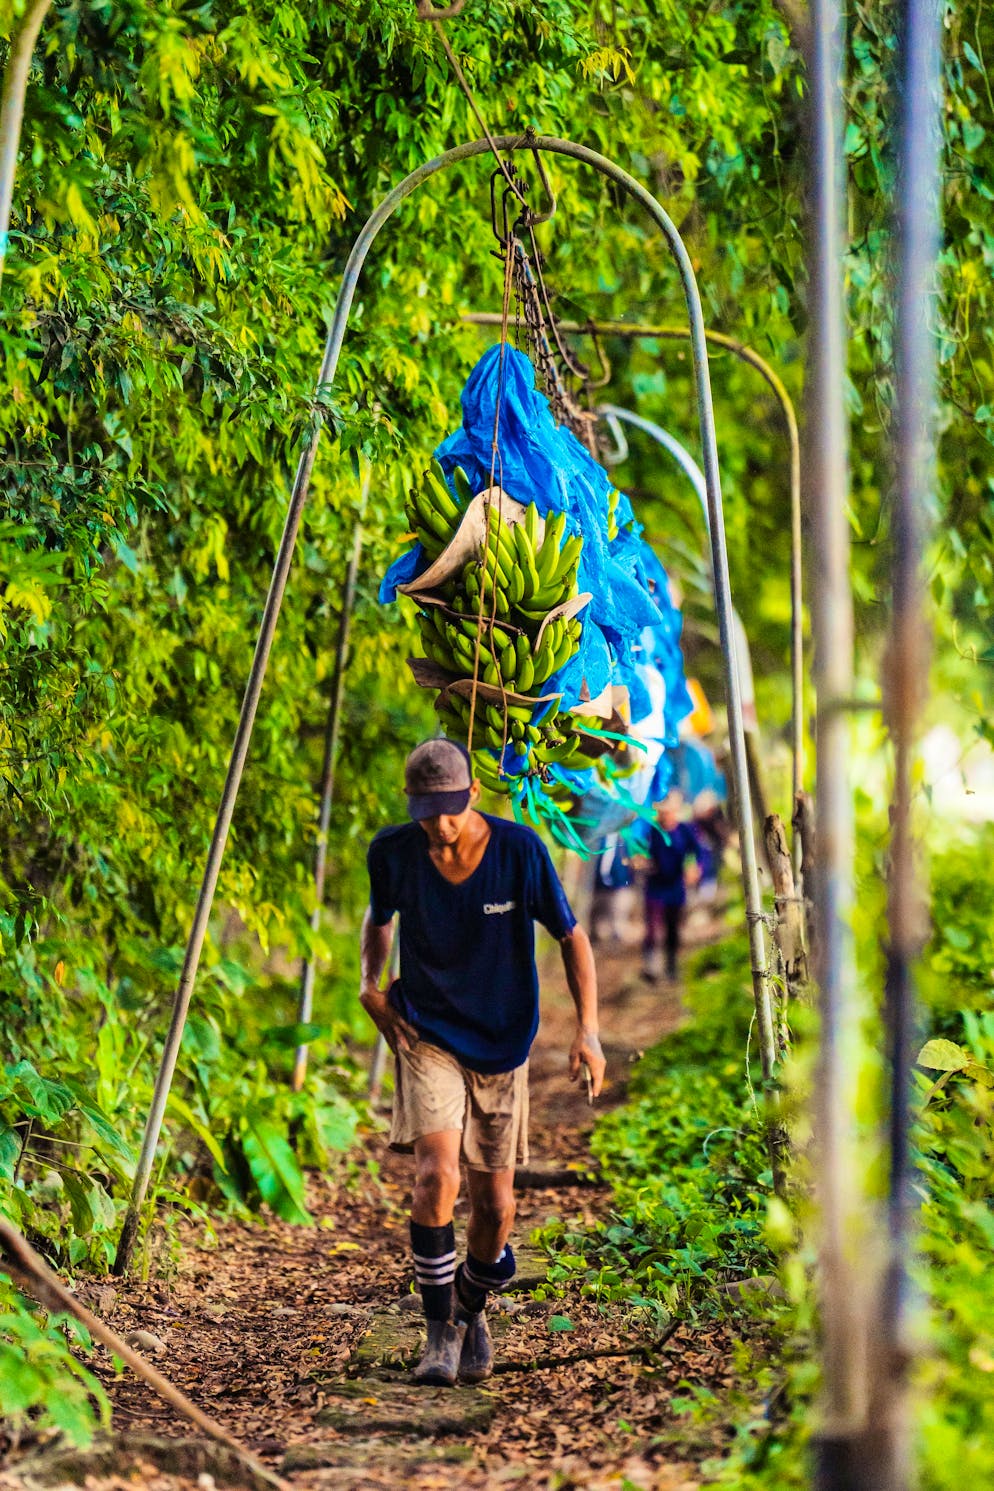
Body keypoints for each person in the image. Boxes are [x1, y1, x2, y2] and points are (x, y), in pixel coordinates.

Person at [359, 738, 605, 1389]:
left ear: (471, 795)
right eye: (424, 810)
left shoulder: (519, 850)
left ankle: (473, 1304)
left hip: (502, 1040)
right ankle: (439, 1332)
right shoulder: (394, 852)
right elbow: (379, 917)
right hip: (427, 1031)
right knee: (436, 1176)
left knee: (495, 1209)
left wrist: (590, 1031)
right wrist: (369, 982)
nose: (438, 825)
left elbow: (571, 935)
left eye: (448, 808)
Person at [641, 791, 707, 982]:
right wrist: (641, 861)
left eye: (669, 811)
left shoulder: (685, 830)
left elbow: (699, 852)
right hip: (655, 885)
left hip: (676, 886)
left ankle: (671, 966)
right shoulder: (651, 831)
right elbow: (638, 850)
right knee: (653, 927)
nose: (665, 815)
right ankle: (651, 968)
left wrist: (695, 868)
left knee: (672, 927)